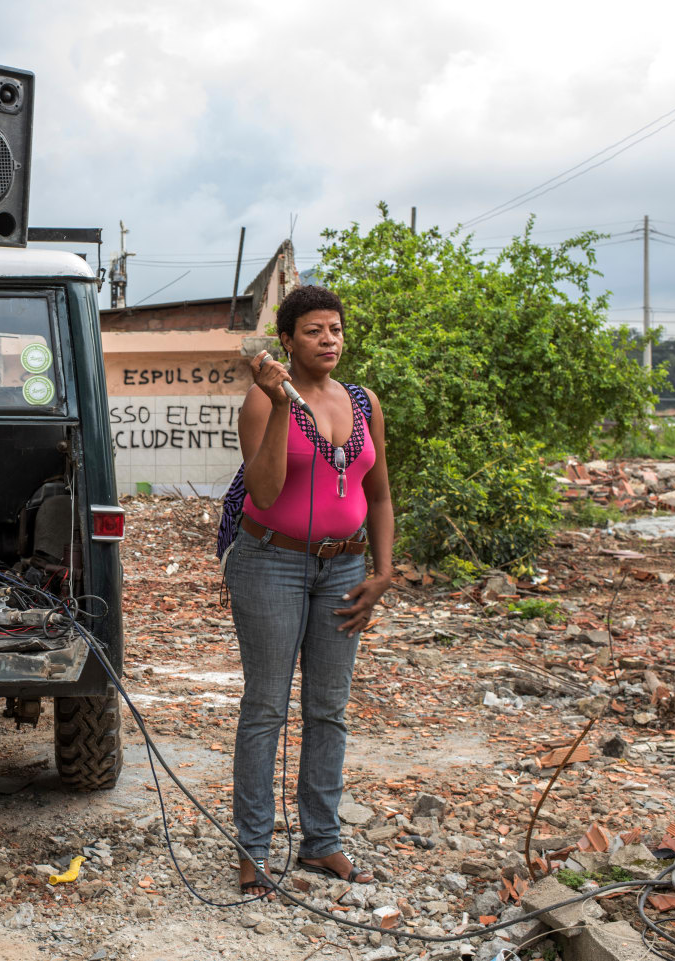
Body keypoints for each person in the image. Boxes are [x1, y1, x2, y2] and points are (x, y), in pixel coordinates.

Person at [224, 284, 394, 897]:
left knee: (329, 709)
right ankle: (253, 852)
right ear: (288, 340)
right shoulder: (259, 402)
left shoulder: (361, 401)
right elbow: (264, 493)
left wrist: (382, 572)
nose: (330, 340)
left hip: (344, 570)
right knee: (266, 708)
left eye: (337, 330)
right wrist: (276, 403)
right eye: (316, 331)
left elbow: (378, 494)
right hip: (272, 563)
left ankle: (321, 844)